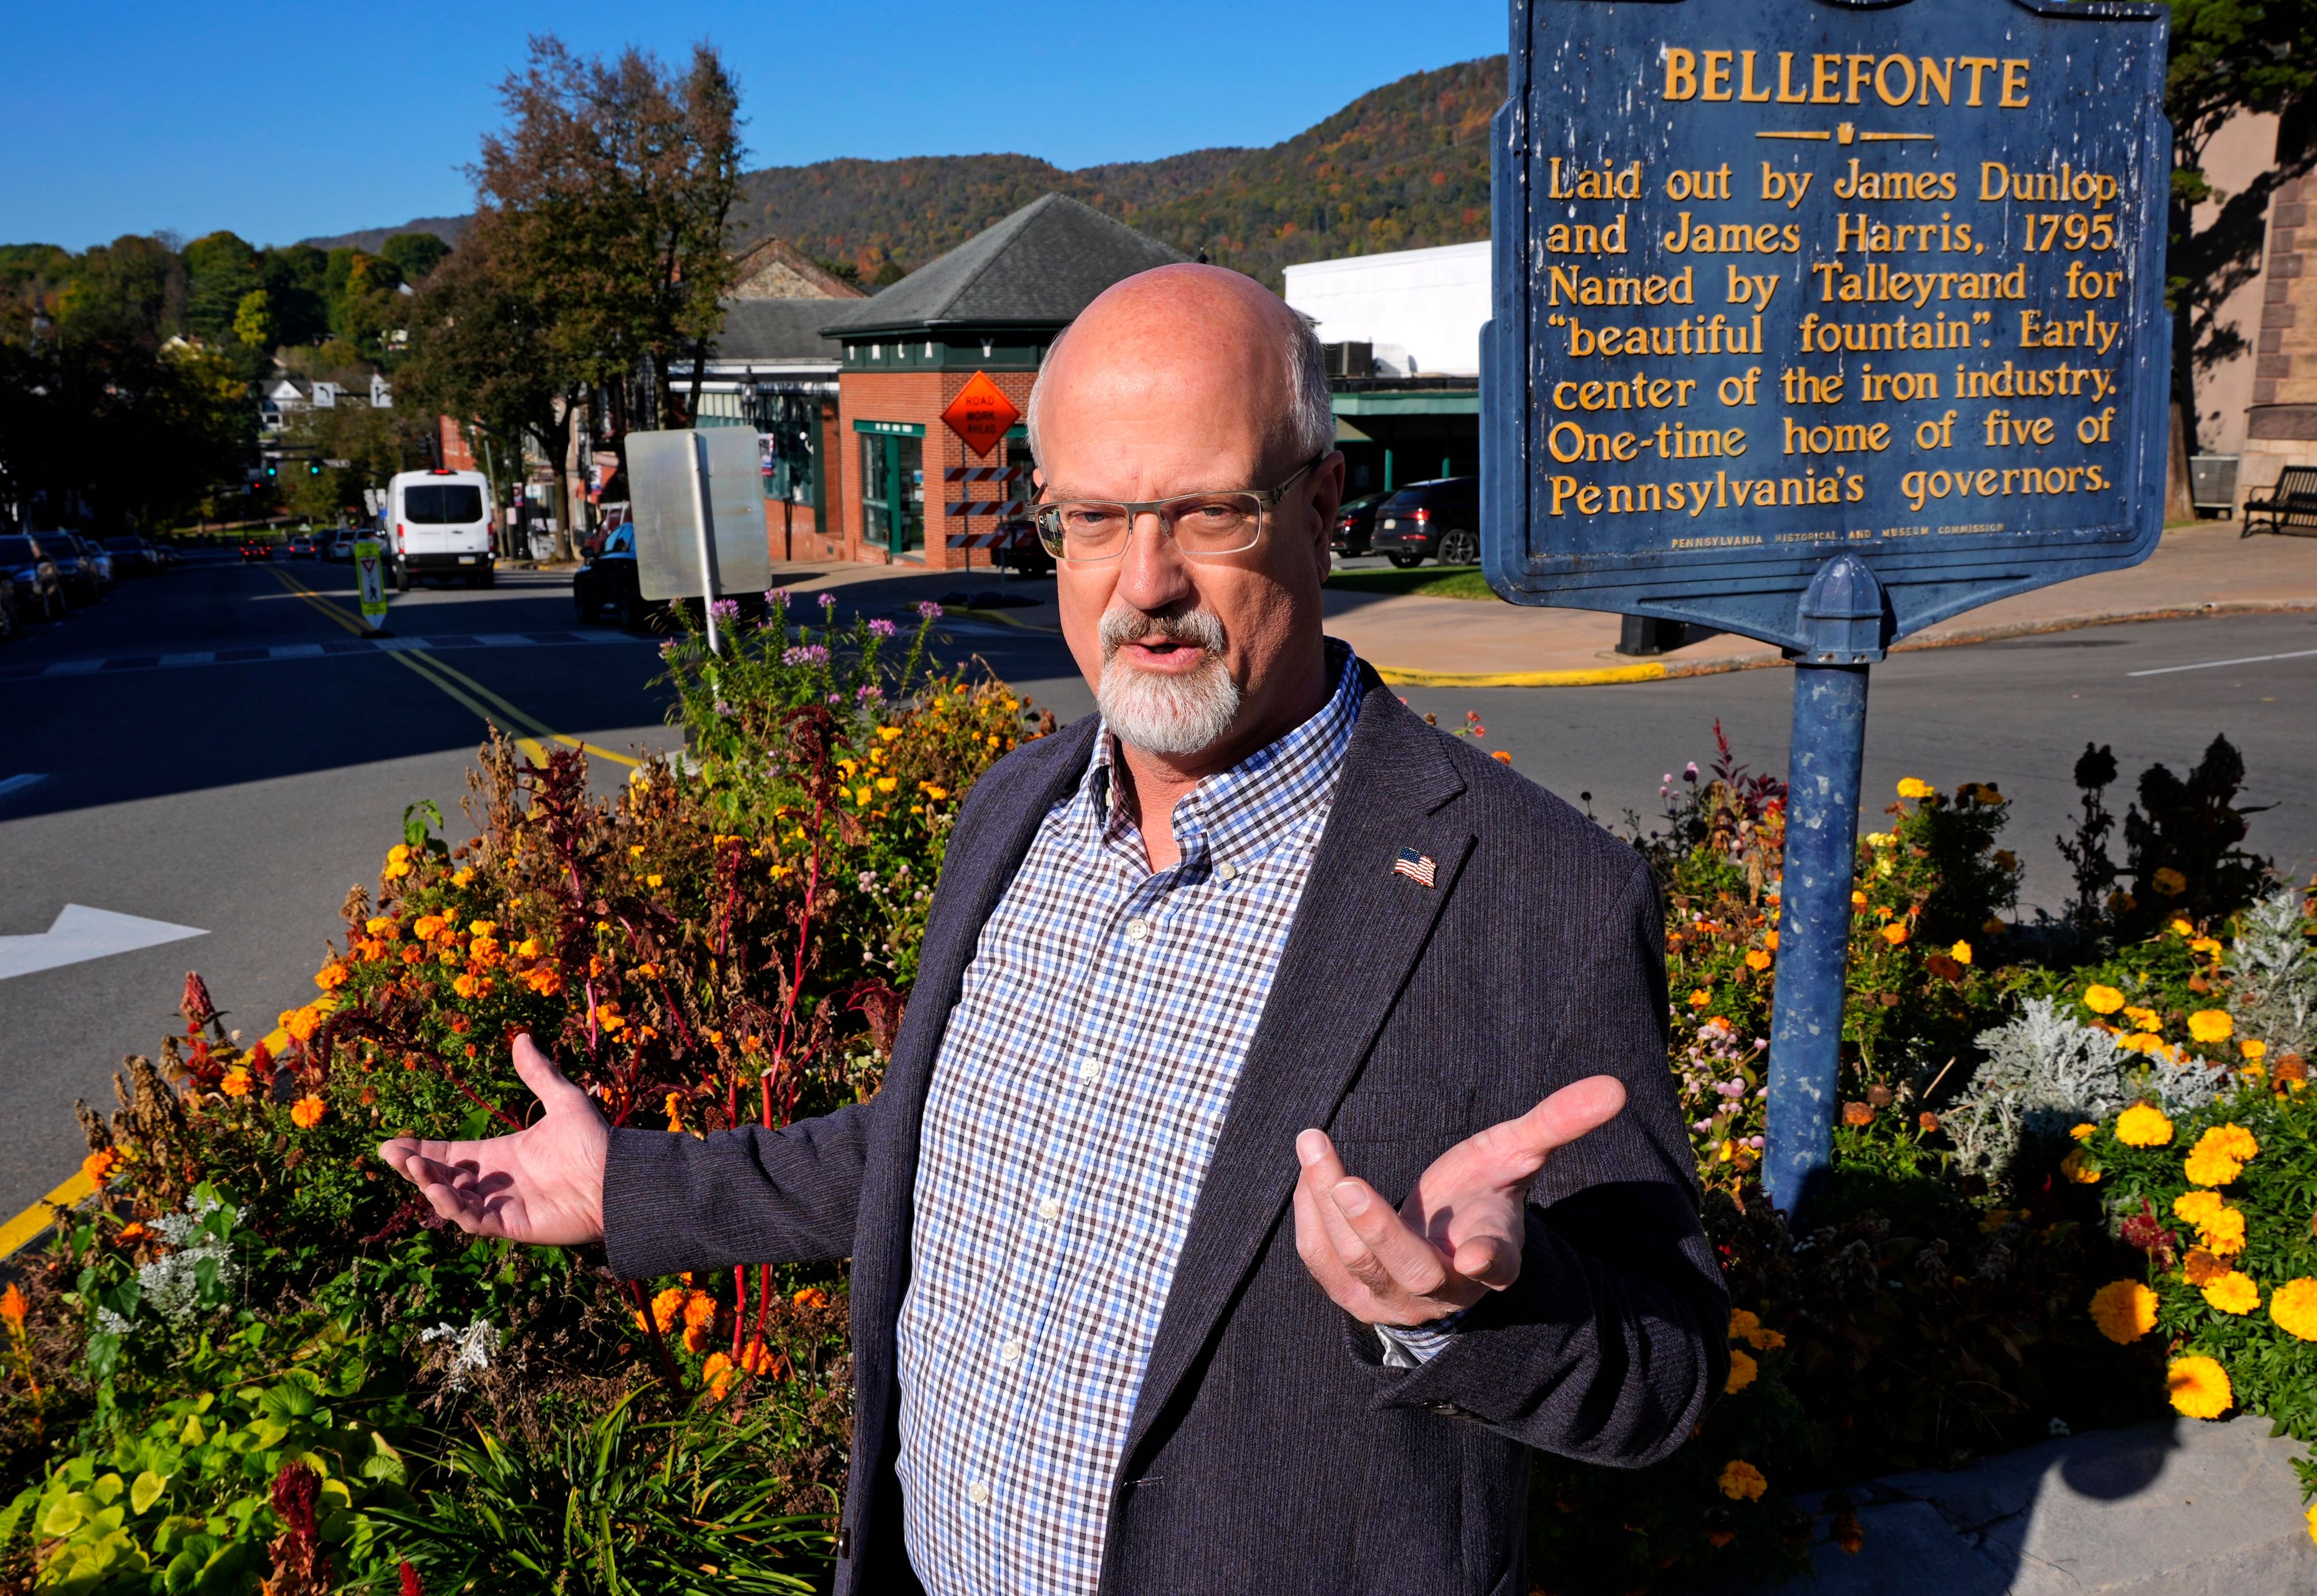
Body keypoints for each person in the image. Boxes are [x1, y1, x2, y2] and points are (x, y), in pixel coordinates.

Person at [382, 264, 1727, 1596]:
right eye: (1092, 517)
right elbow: (924, 1144)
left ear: (1322, 507)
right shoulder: (1017, 807)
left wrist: (1472, 1308)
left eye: (1209, 511)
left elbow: (1662, 1376)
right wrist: (629, 1185)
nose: (1145, 583)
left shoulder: (1537, 889)